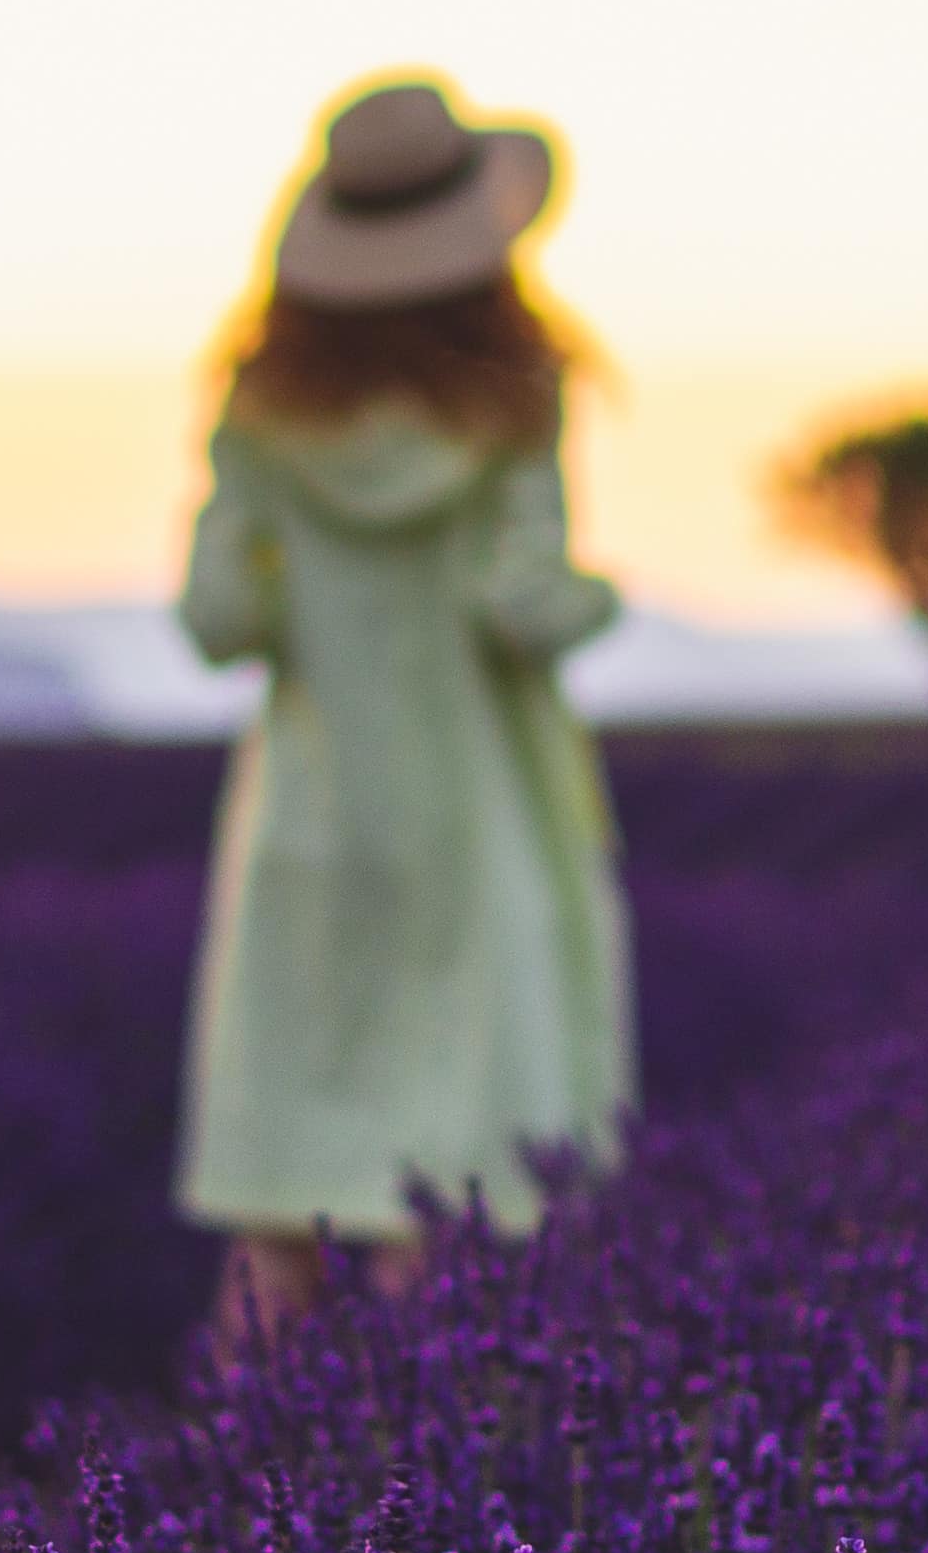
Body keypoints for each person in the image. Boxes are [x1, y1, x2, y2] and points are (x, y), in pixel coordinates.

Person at [173, 75, 633, 1345]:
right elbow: (524, 610)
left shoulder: (262, 410)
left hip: (311, 830)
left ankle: (228, 1521)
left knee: (284, 1206)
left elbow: (217, 622)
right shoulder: (512, 403)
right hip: (474, 830)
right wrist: (602, 600)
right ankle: (428, 1508)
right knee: (458, 1198)